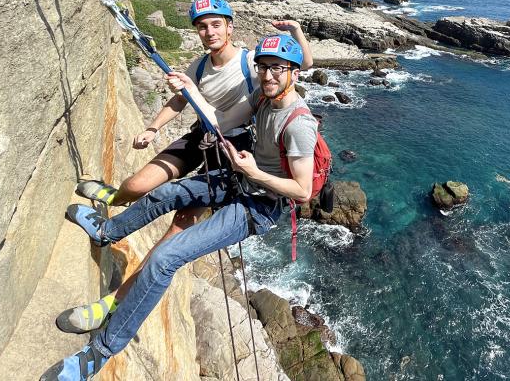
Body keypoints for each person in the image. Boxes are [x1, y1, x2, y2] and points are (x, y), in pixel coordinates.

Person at [41, 34, 318, 381]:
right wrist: (189, 88)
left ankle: (99, 353)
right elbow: (220, 120)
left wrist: (255, 172)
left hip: (257, 206)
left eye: (277, 68)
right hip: (240, 180)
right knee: (166, 194)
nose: (267, 75)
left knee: (165, 258)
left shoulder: (299, 124)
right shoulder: (262, 98)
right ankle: (105, 231)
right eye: (263, 67)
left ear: (293, 72)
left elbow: (302, 191)